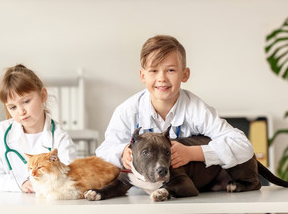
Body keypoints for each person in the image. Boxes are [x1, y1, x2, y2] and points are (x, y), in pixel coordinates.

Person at [96, 35, 254, 171]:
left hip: (187, 190)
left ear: (185, 75)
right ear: (143, 76)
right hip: (142, 194)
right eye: (153, 71)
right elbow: (103, 152)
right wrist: (122, 152)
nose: (162, 78)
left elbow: (243, 146)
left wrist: (193, 153)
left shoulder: (196, 109)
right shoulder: (127, 111)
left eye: (170, 70)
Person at [0, 64, 78, 192]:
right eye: (13, 107)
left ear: (43, 95)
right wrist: (19, 184)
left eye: (26, 101)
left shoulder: (59, 138)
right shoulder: (2, 133)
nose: (21, 111)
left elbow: (69, 177)